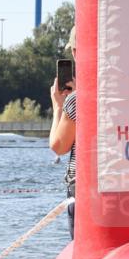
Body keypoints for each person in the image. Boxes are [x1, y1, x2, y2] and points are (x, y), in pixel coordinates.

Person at [49, 26, 77, 239]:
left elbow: (58, 146)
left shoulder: (77, 100)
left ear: (76, 52)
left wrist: (59, 106)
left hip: (83, 189)